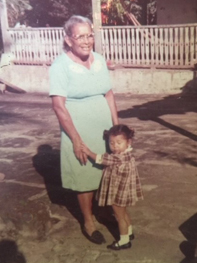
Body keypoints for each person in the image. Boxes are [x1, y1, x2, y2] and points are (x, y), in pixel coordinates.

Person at [49, 15, 119, 244]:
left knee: (107, 171)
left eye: (90, 35)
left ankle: (104, 210)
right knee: (85, 176)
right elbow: (59, 106)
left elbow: (108, 94)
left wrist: (116, 128)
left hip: (104, 127)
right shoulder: (60, 66)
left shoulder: (99, 60)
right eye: (81, 36)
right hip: (78, 129)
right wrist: (76, 140)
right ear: (68, 40)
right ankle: (88, 221)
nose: (87, 40)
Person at [82, 124, 143, 250]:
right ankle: (129, 232)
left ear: (128, 142)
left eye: (119, 143)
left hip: (118, 192)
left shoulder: (118, 157)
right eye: (111, 143)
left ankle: (124, 241)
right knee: (124, 213)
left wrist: (88, 152)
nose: (115, 146)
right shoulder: (128, 154)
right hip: (124, 191)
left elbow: (101, 159)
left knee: (119, 217)